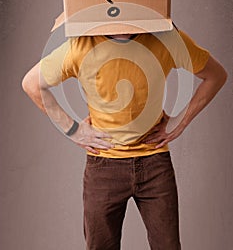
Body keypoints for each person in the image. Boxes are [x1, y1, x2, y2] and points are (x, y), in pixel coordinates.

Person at [22, 25, 227, 250]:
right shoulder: (81, 45)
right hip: (103, 166)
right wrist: (73, 130)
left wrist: (181, 121)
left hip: (154, 163)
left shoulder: (167, 38)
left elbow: (216, 75)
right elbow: (31, 83)